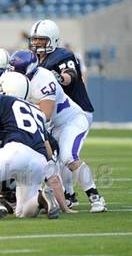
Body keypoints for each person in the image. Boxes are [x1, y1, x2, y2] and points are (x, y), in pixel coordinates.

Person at [8, 50, 106, 213]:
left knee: (68, 157)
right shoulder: (13, 78)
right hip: (51, 126)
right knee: (47, 163)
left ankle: (95, 197)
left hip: (70, 121)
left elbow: (44, 115)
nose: (15, 74)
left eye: (19, 70)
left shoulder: (44, 79)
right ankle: (63, 198)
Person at [0, 80, 59, 220]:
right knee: (22, 212)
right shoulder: (36, 110)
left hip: (17, 150)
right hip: (40, 160)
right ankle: (40, 198)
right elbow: (49, 153)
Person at [29, 20, 95, 206]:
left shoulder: (62, 55)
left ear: (53, 39)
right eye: (34, 40)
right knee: (57, 157)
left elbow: (70, 75)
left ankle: (87, 195)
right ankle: (69, 195)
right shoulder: (36, 59)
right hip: (57, 115)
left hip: (76, 111)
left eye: (41, 40)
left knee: (67, 156)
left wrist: (60, 78)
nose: (37, 44)